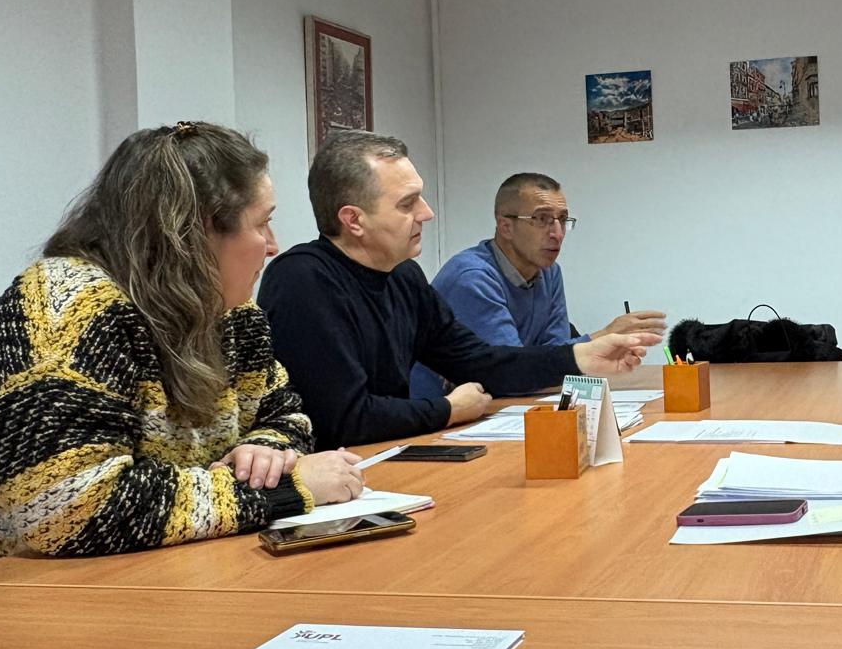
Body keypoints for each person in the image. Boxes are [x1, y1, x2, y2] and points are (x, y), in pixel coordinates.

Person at [0, 123, 364, 576]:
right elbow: (64, 509)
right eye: (262, 223)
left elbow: (284, 414)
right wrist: (284, 489)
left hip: (142, 567)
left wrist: (265, 451)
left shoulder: (233, 315)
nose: (273, 246)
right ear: (194, 234)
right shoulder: (65, 308)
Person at [259, 131, 657, 450]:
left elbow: (479, 361)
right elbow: (343, 419)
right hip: (335, 480)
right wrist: (447, 410)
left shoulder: (404, 276)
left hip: (386, 459)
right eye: (407, 204)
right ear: (354, 220)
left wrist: (580, 356)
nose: (427, 213)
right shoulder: (303, 281)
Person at [407, 173, 664, 399]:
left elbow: (553, 361)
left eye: (562, 219)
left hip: (501, 408)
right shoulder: (472, 277)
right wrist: (603, 336)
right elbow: (510, 373)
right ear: (505, 226)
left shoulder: (549, 272)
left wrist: (580, 352)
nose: (557, 233)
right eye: (542, 219)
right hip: (440, 418)